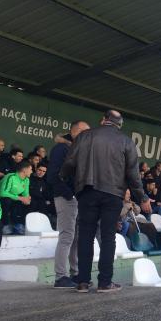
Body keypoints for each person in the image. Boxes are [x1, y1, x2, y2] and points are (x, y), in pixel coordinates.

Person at [61, 110, 150, 293]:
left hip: (86, 190)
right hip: (113, 193)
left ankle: (83, 282)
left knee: (85, 236)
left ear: (103, 120)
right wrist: (142, 198)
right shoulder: (126, 141)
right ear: (119, 124)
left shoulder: (85, 136)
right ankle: (105, 282)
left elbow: (69, 163)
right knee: (108, 237)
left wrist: (64, 178)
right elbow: (133, 175)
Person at [47, 120, 90, 289]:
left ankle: (75, 273)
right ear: (76, 132)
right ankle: (60, 276)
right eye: (85, 132)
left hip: (75, 198)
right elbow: (53, 176)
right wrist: (70, 194)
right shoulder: (60, 149)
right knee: (67, 236)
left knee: (76, 237)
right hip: (65, 197)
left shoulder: (75, 149)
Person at [0, 161, 32, 235]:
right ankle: (5, 225)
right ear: (24, 170)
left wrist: (27, 199)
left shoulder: (26, 180)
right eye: (30, 169)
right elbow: (2, 193)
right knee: (7, 201)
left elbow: (25, 194)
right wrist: (20, 198)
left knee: (27, 203)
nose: (31, 171)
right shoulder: (11, 176)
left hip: (13, 198)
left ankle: (18, 225)